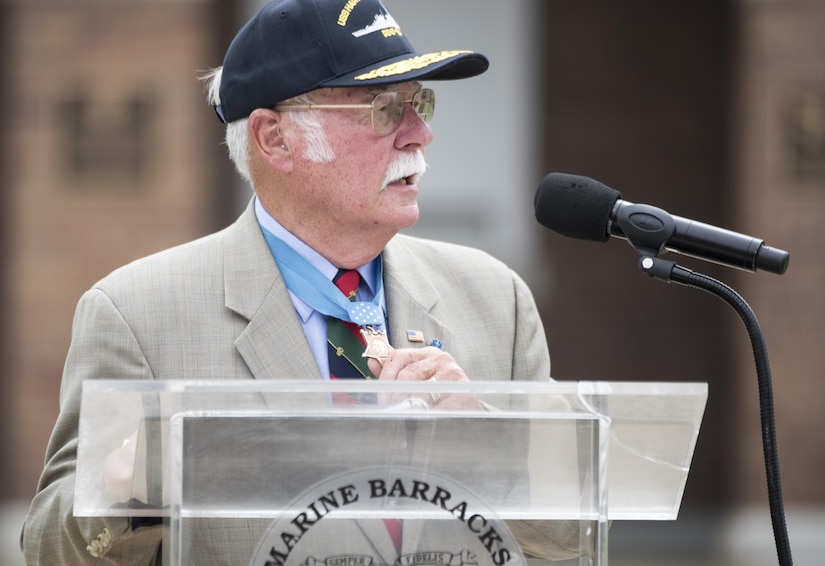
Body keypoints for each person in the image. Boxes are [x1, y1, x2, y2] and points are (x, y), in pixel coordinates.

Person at [21, 0, 581, 563]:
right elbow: (52, 551)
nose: (420, 134)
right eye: (386, 109)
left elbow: (570, 541)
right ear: (275, 139)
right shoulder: (134, 314)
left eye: (422, 102)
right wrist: (130, 487)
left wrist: (490, 447)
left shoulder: (494, 299)